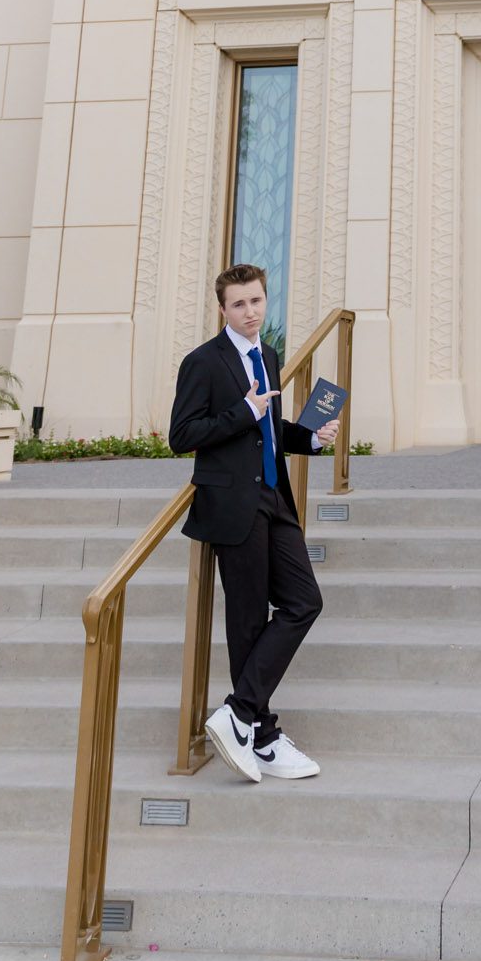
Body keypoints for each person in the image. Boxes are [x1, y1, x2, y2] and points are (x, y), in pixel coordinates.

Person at [168, 262, 340, 783]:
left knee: (304, 600)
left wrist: (308, 439)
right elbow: (182, 434)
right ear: (222, 309)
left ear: (267, 302)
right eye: (239, 304)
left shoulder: (267, 355)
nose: (250, 312)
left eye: (257, 301)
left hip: (274, 497)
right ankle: (260, 734)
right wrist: (242, 410)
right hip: (232, 505)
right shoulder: (203, 362)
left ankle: (240, 714)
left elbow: (266, 429)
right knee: (246, 621)